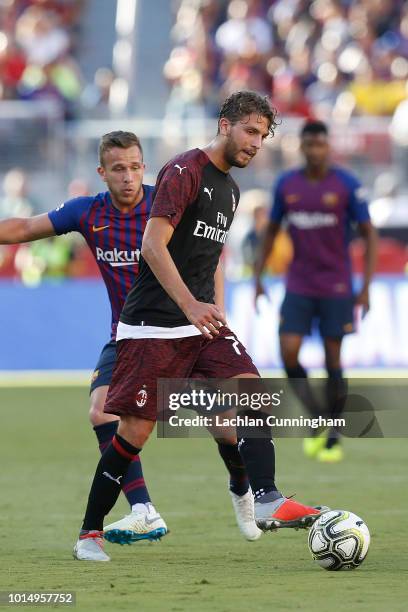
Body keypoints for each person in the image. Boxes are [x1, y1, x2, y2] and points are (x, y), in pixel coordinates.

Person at [74, 91, 327, 562]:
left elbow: (210, 257)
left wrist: (215, 308)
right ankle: (89, 532)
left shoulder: (230, 188)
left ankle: (267, 497)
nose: (256, 143)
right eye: (250, 131)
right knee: (133, 432)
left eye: (263, 135)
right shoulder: (183, 170)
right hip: (152, 324)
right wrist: (191, 304)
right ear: (225, 125)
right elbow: (153, 246)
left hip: (200, 322)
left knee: (251, 392)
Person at [0, 131, 168, 543]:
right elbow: (22, 227)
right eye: (118, 169)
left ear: (143, 167)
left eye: (135, 167)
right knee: (102, 411)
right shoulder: (88, 213)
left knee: (229, 421)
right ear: (102, 172)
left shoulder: (165, 207)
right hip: (126, 336)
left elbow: (210, 252)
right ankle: (143, 509)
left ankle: (256, 494)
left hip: (174, 333)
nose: (128, 177)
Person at [254, 120, 377, 462]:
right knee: (288, 352)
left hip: (336, 284)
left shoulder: (346, 185)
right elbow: (271, 230)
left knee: (333, 358)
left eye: (320, 145)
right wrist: (258, 277)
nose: (315, 151)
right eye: (309, 145)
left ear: (328, 146)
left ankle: (333, 431)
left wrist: (364, 287)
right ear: (302, 147)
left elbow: (369, 233)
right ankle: (317, 416)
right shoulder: (287, 185)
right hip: (299, 283)